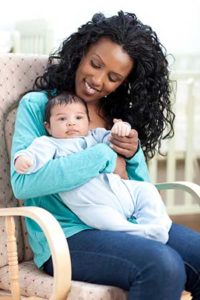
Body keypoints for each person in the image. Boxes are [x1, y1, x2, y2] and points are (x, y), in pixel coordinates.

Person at [10, 11, 200, 300]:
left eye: (113, 77)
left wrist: (133, 155)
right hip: (67, 236)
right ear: (81, 52)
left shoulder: (116, 119)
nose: (97, 80)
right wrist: (103, 156)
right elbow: (24, 184)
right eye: (95, 64)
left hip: (127, 224)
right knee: (162, 266)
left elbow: (137, 188)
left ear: (124, 83)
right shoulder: (40, 107)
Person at [14, 92, 172, 244]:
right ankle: (136, 231)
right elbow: (34, 154)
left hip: (118, 192)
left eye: (78, 118)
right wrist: (24, 159)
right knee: (107, 220)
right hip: (90, 204)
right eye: (62, 119)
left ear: (87, 122)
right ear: (48, 127)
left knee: (146, 190)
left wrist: (121, 128)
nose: (71, 123)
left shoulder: (94, 136)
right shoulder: (49, 143)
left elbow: (112, 138)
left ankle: (157, 226)